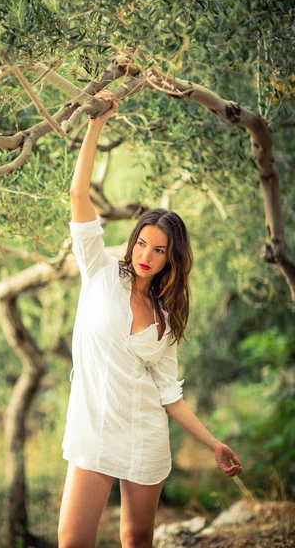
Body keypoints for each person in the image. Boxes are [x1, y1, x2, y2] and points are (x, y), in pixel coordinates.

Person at [58, 89, 243, 548]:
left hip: (144, 433)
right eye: (142, 242)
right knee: (71, 540)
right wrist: (96, 123)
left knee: (137, 538)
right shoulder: (99, 269)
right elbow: (78, 193)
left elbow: (167, 393)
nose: (146, 254)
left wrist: (213, 444)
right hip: (93, 430)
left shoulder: (165, 318)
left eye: (159, 250)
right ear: (133, 240)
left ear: (170, 259)